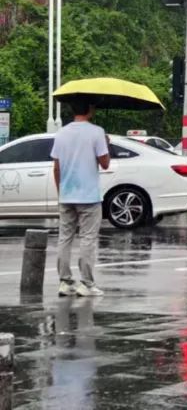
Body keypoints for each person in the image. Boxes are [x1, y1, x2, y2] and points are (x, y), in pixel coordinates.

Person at [51, 97, 110, 297]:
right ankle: (87, 283)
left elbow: (56, 167)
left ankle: (65, 282)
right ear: (89, 109)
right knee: (87, 239)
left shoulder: (61, 133)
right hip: (89, 196)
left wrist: (61, 192)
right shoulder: (97, 132)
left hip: (67, 195)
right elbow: (105, 163)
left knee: (64, 238)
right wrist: (106, 146)